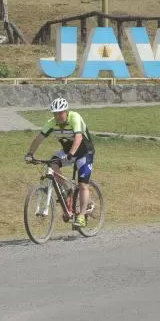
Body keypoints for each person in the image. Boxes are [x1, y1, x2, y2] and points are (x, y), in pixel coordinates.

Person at [25, 97, 95, 227]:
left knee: (83, 184)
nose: (57, 116)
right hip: (68, 152)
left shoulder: (74, 117)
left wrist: (71, 155)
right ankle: (67, 189)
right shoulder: (51, 123)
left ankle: (81, 216)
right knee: (52, 164)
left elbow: (78, 137)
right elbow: (39, 138)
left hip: (85, 152)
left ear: (66, 111)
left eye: (60, 112)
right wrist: (30, 154)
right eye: (55, 113)